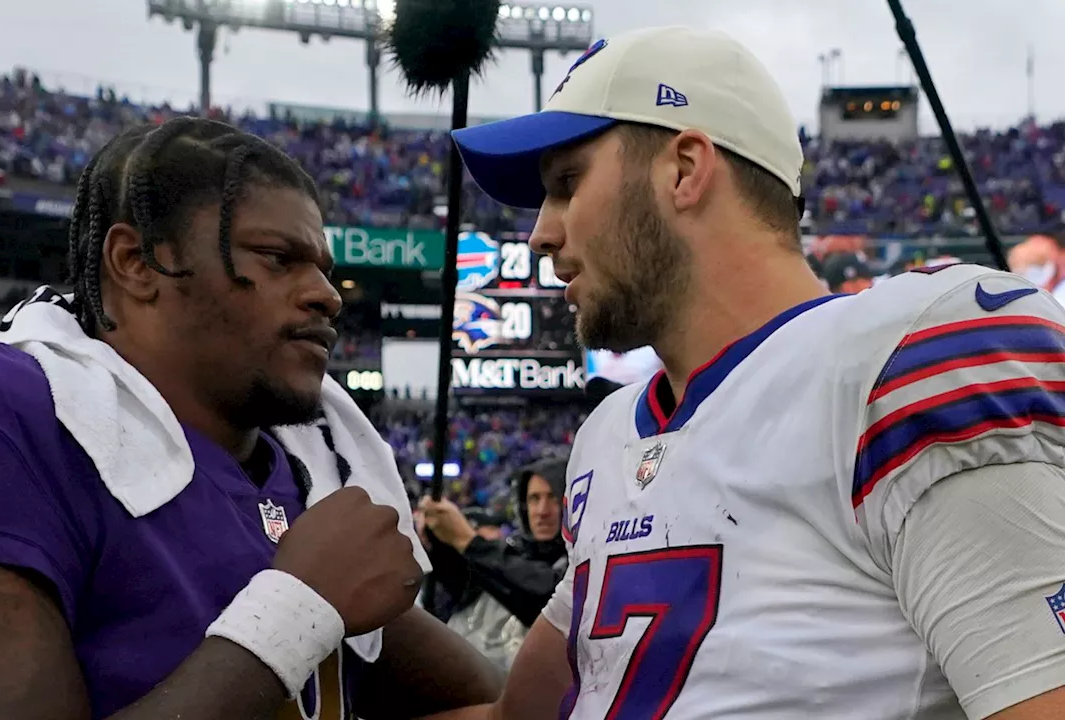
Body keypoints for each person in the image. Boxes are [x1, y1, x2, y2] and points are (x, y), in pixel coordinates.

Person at [433, 25, 1065, 720]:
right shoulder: (609, 432)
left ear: (684, 169)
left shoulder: (903, 359)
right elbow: (516, 714)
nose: (540, 233)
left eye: (566, 184)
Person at [0, 118, 500, 719]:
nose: (325, 295)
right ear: (135, 262)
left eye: (322, 267)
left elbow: (490, 706)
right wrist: (297, 610)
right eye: (278, 258)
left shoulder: (309, 468)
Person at [418, 460, 569, 668]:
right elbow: (461, 579)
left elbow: (547, 595)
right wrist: (439, 541)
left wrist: (468, 541)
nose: (542, 511)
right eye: (534, 498)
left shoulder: (584, 558)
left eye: (553, 497)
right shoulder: (514, 551)